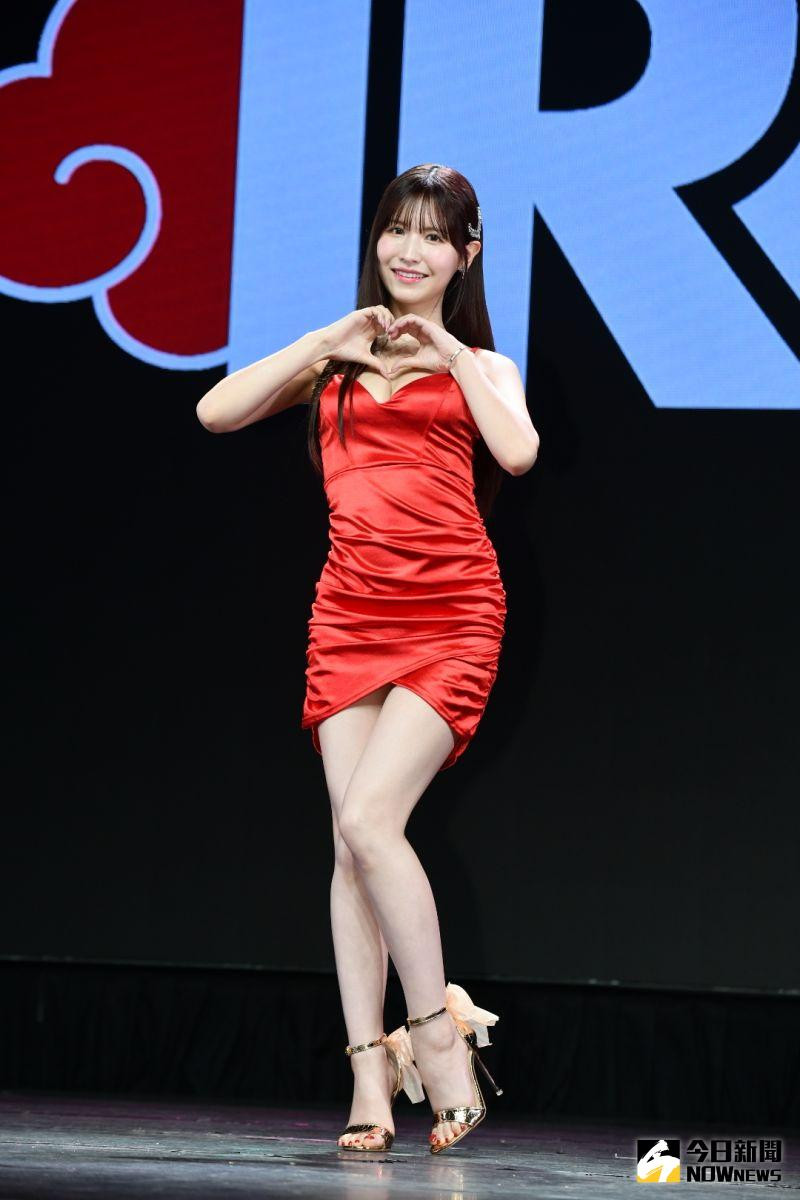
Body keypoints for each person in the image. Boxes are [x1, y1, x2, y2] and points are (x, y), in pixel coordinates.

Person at [196, 164, 539, 1155]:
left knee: (369, 820)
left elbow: (516, 453)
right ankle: (367, 1082)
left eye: (433, 236)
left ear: (466, 254)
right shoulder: (334, 363)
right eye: (397, 229)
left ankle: (437, 1044)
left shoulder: (482, 365)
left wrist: (451, 354)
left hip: (451, 611)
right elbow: (215, 412)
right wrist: (323, 342)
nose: (409, 251)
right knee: (349, 850)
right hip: (350, 615)